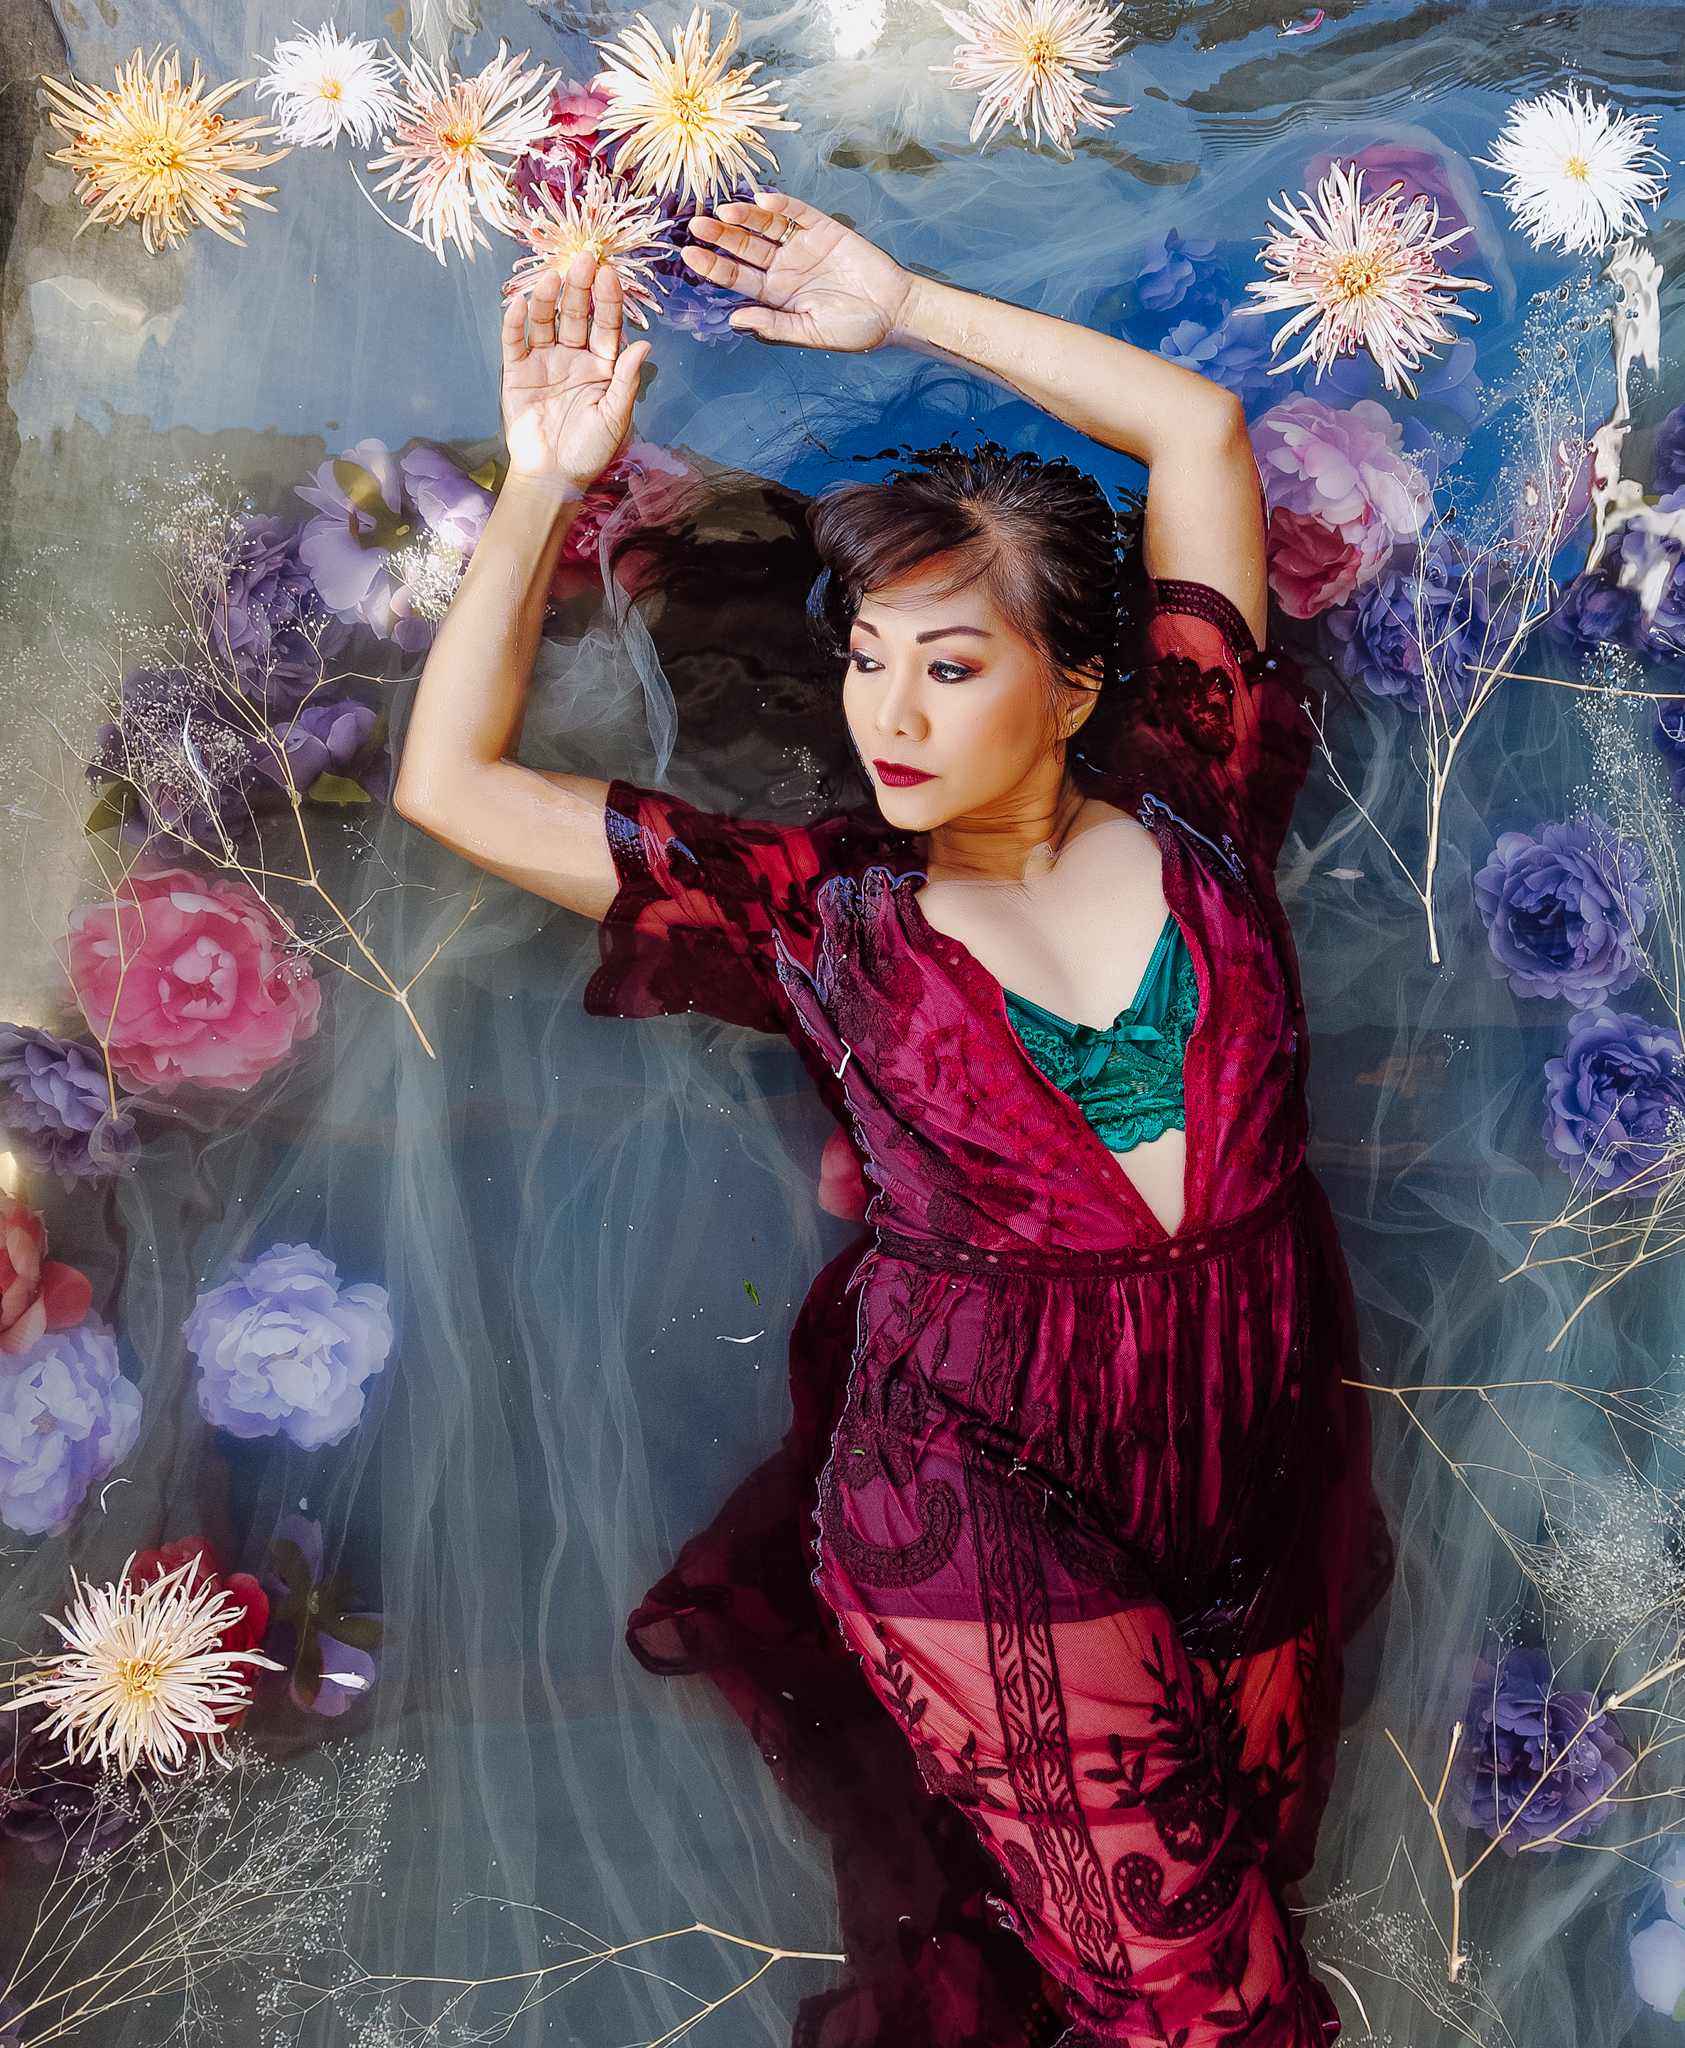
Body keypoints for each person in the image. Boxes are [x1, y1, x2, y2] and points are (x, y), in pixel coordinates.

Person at [393, 203, 1391, 2048]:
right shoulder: (814, 914)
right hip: (969, 1509)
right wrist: (542, 482)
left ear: (1079, 687)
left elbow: (1196, 437)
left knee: (1157, 1965)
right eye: (867, 659)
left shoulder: (1199, 795)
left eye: (949, 663)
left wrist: (910, 305)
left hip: (1243, 1497)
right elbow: (452, 785)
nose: (888, 713)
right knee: (1216, 2012)